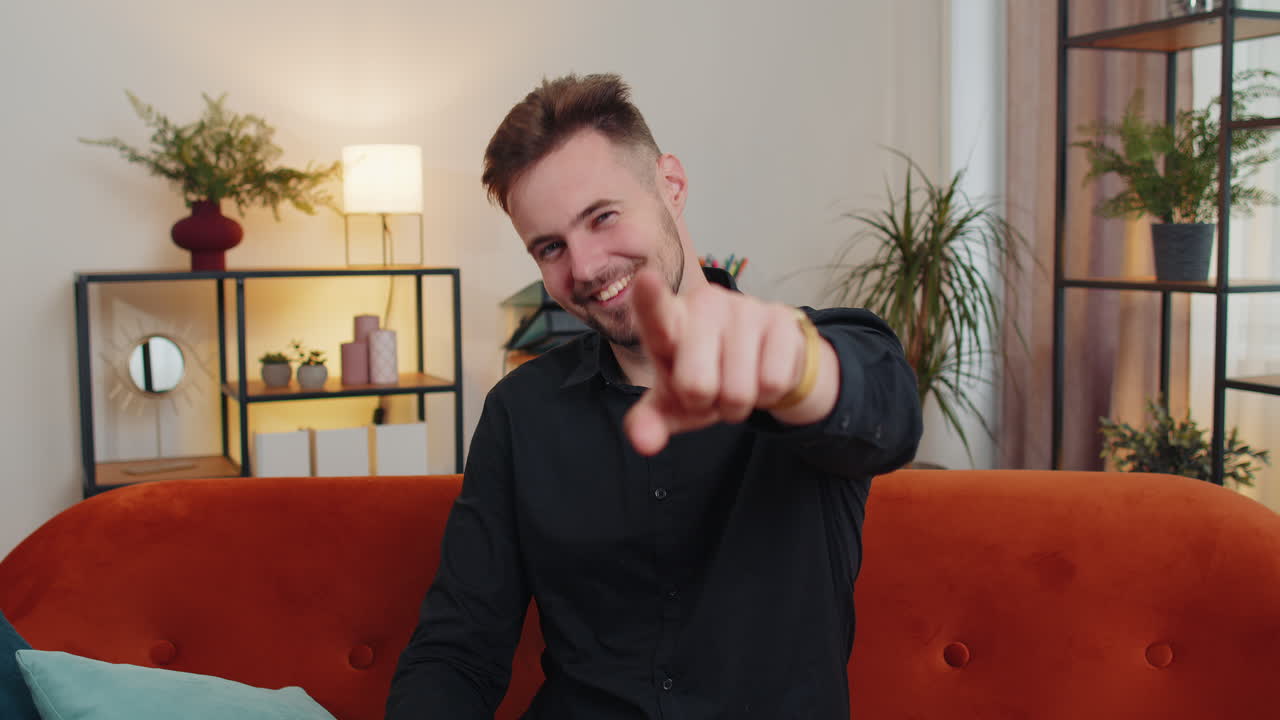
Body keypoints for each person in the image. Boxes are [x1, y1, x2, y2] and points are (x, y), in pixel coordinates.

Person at [386, 73, 922, 719]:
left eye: (603, 217)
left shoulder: (815, 348)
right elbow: (459, 648)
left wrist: (793, 374)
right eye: (551, 247)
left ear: (670, 185)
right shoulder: (518, 411)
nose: (583, 268)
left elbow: (885, 414)